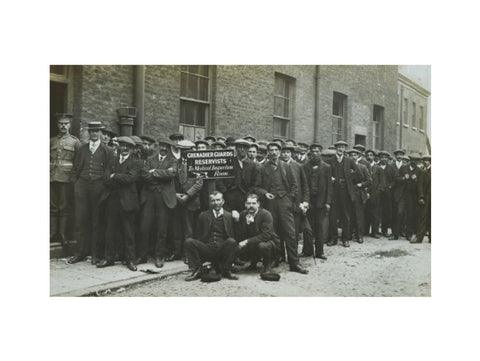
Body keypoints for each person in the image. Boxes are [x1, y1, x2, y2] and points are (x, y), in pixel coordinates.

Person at [254, 142, 308, 274]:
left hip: (285, 202)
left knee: (290, 233)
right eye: (271, 150)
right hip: (270, 203)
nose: (273, 152)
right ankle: (276, 259)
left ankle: (294, 263)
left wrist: (289, 199)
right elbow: (256, 187)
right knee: (274, 233)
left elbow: (295, 185)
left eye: (276, 150)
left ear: (279, 152)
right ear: (268, 152)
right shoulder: (262, 168)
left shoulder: (286, 166)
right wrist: (265, 193)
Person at [68, 121, 114, 265]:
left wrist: (103, 186)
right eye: (92, 131)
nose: (94, 134)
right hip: (82, 188)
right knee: (81, 220)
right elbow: (76, 168)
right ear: (88, 133)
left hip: (98, 189)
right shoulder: (82, 149)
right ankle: (80, 253)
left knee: (97, 222)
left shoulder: (107, 150)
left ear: (100, 133)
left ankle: (95, 254)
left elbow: (109, 171)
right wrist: (76, 184)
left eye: (97, 131)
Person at [97, 136, 139, 271]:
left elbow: (131, 178)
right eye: (122, 146)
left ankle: (130, 260)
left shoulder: (135, 162)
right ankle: (108, 258)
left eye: (127, 146)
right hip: (112, 200)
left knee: (129, 232)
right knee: (110, 230)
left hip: (128, 201)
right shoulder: (113, 160)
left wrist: (115, 176)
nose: (124, 148)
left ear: (132, 149)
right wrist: (116, 177)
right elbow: (105, 179)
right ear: (119, 147)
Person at [137, 137, 178, 267]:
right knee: (145, 227)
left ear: (169, 147)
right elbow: (144, 175)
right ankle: (142, 256)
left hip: (163, 198)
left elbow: (171, 174)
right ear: (158, 146)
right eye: (162, 145)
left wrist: (154, 172)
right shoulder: (150, 159)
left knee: (162, 228)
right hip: (149, 196)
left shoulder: (173, 161)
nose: (164, 148)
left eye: (166, 146)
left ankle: (159, 256)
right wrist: (161, 175)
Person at [184, 191, 239, 281]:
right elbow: (198, 235)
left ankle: (227, 270)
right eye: (213, 201)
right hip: (207, 249)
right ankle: (197, 270)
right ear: (210, 202)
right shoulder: (203, 215)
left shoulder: (229, 216)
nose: (216, 203)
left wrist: (236, 220)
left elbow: (235, 235)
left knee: (231, 241)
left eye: (218, 200)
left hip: (222, 250)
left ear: (223, 201)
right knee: (189, 242)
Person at [50, 114, 81, 252]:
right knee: (52, 206)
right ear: (57, 125)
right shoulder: (51, 141)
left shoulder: (75, 142)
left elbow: (78, 162)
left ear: (70, 125)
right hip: (52, 177)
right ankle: (52, 233)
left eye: (66, 124)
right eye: (61, 123)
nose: (63, 126)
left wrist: (73, 178)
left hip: (66, 178)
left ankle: (62, 234)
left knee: (64, 206)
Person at [169, 140, 203, 261]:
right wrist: (176, 194)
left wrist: (187, 196)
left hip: (191, 201)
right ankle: (177, 251)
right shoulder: (175, 163)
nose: (184, 152)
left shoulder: (197, 164)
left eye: (187, 150)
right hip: (177, 200)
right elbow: (170, 180)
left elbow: (199, 184)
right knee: (176, 227)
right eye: (182, 150)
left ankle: (188, 253)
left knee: (189, 230)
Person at [235, 194, 280, 274]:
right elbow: (240, 232)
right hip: (253, 243)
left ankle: (267, 266)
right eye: (249, 203)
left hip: (269, 243)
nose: (251, 206)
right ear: (245, 204)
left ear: (258, 204)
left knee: (262, 245)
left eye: (253, 203)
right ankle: (253, 264)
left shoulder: (266, 214)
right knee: (239, 245)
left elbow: (266, 236)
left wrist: (246, 241)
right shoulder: (243, 214)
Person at [327, 140, 359, 247]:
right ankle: (333, 238)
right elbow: (327, 174)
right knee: (333, 216)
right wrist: (330, 178)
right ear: (336, 148)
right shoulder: (330, 160)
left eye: (343, 147)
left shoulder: (349, 161)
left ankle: (345, 239)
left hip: (346, 191)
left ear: (345, 149)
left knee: (346, 215)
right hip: (334, 191)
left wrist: (349, 178)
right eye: (339, 147)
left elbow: (358, 173)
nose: (341, 149)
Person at [303, 144, 332, 259]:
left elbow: (329, 186)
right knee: (307, 227)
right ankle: (307, 250)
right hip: (309, 201)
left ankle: (320, 251)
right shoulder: (305, 166)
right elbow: (303, 184)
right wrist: (304, 201)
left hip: (321, 201)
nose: (315, 154)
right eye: (313, 152)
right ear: (310, 153)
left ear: (320, 152)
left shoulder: (326, 167)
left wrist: (328, 202)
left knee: (319, 227)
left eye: (317, 151)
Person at [347, 148, 372, 243]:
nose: (353, 157)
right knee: (348, 214)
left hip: (358, 193)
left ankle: (359, 235)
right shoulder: (346, 167)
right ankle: (348, 234)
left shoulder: (363, 167)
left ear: (358, 156)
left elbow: (369, 181)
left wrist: (361, 185)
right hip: (348, 193)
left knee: (359, 215)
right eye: (351, 155)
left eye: (355, 155)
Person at [369, 151, 392, 238]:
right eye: (382, 157)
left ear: (387, 158)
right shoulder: (376, 167)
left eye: (385, 157)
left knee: (386, 212)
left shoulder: (391, 167)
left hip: (387, 193)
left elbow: (394, 179)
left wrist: (390, 186)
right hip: (376, 192)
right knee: (376, 212)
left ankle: (384, 230)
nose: (383, 159)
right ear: (379, 158)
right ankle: (374, 231)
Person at [403, 153, 425, 241]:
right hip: (404, 194)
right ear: (410, 160)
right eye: (412, 160)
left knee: (411, 214)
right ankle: (400, 232)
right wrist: (403, 178)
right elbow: (397, 178)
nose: (414, 162)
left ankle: (409, 233)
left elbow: (420, 185)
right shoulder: (404, 168)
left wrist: (421, 196)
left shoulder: (419, 171)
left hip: (413, 196)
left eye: (416, 160)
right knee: (401, 213)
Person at [411, 155, 431, 243]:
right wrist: (421, 197)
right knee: (422, 217)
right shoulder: (424, 172)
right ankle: (419, 238)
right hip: (426, 198)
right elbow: (420, 186)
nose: (426, 162)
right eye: (424, 161)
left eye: (427, 160)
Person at [388, 149, 407, 240]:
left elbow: (407, 179)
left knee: (401, 213)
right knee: (393, 213)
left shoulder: (405, 166)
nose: (399, 156)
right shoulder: (391, 166)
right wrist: (402, 178)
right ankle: (394, 232)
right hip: (393, 193)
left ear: (403, 156)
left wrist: (401, 179)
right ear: (395, 156)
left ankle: (399, 232)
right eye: (398, 155)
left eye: (401, 155)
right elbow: (391, 178)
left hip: (403, 193)